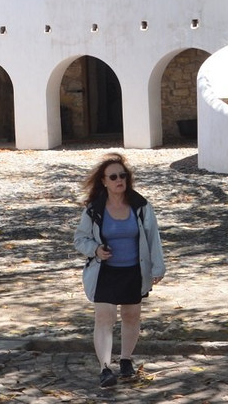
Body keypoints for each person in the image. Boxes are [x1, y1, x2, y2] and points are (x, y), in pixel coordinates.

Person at [73, 152, 166, 388]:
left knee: (131, 316)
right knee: (104, 318)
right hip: (105, 272)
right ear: (104, 181)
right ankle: (105, 368)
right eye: (113, 176)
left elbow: (153, 238)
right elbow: (80, 239)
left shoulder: (141, 206)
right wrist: (95, 249)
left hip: (134, 271)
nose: (119, 180)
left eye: (122, 175)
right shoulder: (94, 210)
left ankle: (126, 360)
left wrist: (158, 266)